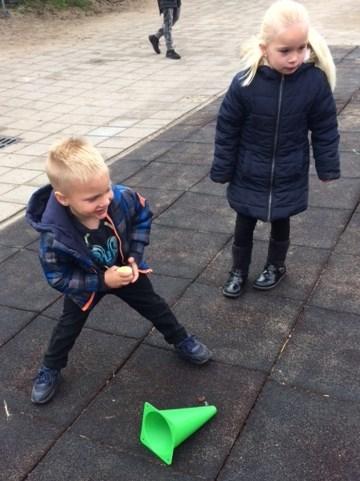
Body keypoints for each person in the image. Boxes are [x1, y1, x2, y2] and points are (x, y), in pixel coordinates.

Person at [26, 137, 211, 404]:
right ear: (63, 198)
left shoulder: (122, 197)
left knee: (155, 306)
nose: (104, 200)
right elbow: (59, 277)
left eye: (106, 190)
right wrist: (102, 280)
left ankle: (181, 339)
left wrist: (135, 255)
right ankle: (50, 368)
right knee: (68, 327)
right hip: (88, 282)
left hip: (125, 269)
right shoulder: (53, 236)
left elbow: (143, 214)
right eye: (92, 199)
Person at [210, 0, 340, 299]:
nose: (295, 58)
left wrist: (328, 166)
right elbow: (227, 128)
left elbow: (324, 127)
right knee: (244, 224)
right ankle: (238, 269)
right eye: (285, 50)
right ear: (264, 47)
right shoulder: (246, 82)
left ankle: (275, 266)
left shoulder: (313, 83)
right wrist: (223, 167)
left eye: (301, 48)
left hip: (288, 169)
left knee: (282, 219)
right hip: (249, 169)